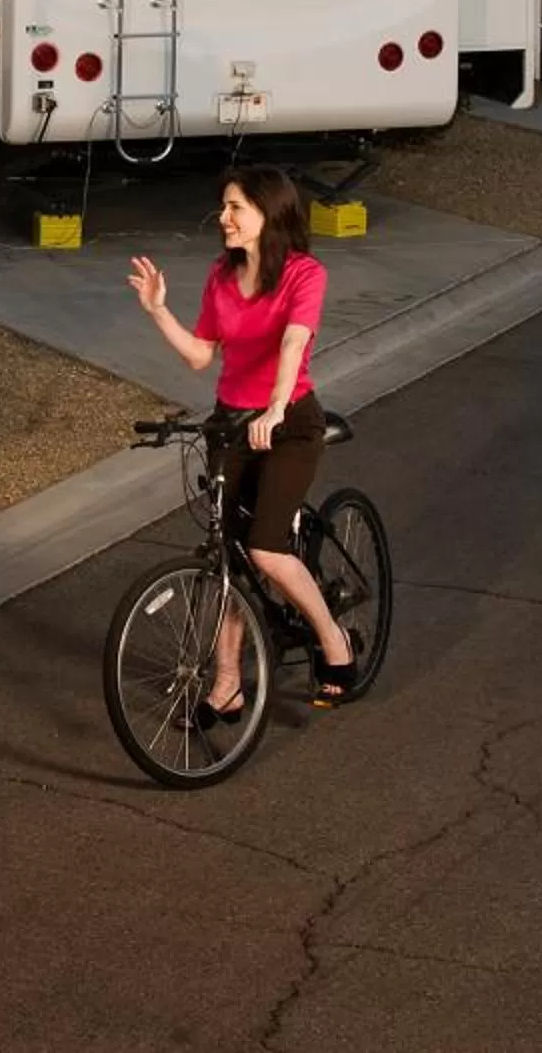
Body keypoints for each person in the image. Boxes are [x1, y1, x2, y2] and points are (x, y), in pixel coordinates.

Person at [125, 165, 358, 718]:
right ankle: (227, 683)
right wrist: (158, 310)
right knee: (229, 552)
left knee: (264, 547)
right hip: (232, 423)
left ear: (269, 214)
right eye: (224, 207)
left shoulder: (305, 274)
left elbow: (293, 346)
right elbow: (201, 355)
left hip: (289, 422)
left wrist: (276, 406)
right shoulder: (220, 276)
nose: (223, 218)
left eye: (235, 208)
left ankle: (334, 639)